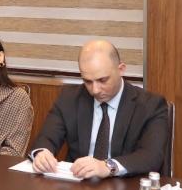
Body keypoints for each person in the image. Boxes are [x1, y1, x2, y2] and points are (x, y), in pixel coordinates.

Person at [30, 39, 167, 179]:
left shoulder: (151, 105)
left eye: (103, 80)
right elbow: (46, 138)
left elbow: (151, 156)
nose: (95, 90)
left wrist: (107, 166)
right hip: (77, 184)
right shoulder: (69, 98)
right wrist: (42, 153)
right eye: (87, 81)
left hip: (125, 185)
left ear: (121, 70)